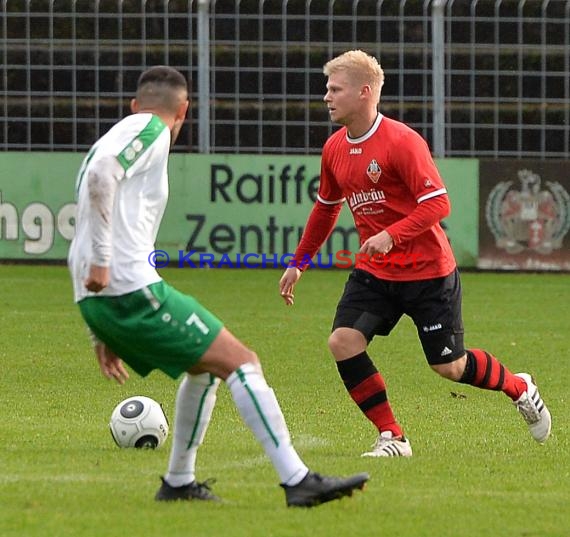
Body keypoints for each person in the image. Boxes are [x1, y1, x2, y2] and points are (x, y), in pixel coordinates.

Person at [68, 65, 368, 506]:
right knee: (242, 363)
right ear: (185, 110)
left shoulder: (117, 134)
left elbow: (87, 209)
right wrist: (103, 263)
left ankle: (178, 482)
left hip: (105, 297)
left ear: (135, 102)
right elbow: (102, 177)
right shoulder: (149, 128)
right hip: (128, 290)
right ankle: (297, 480)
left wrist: (100, 324)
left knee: (205, 368)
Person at [278, 50, 551, 457]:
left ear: (364, 92)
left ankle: (519, 386)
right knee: (343, 341)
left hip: (428, 273)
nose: (326, 97)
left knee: (449, 367)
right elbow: (325, 208)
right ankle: (393, 436)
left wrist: (391, 234)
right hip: (375, 274)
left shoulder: (402, 142)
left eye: (335, 89)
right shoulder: (334, 148)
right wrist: (299, 263)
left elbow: (438, 205)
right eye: (327, 89)